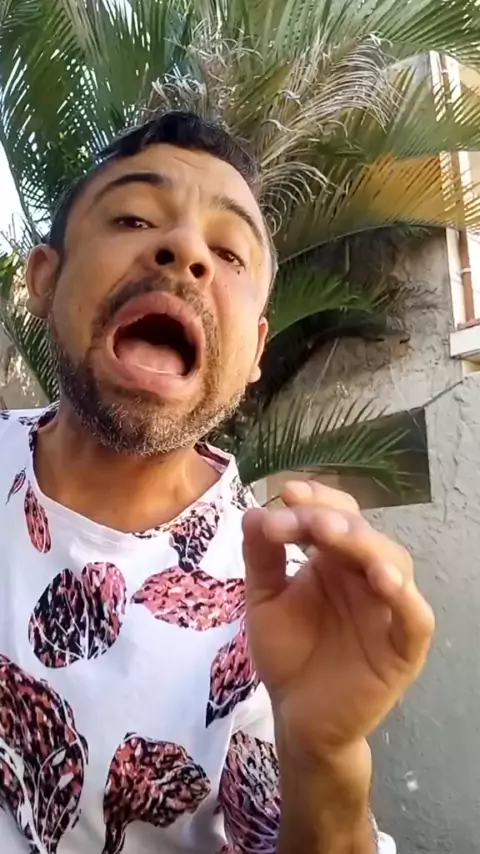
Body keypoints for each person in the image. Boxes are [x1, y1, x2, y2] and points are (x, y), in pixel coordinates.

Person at [0, 111, 433, 854]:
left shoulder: (280, 612)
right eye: (134, 218)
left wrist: (324, 758)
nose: (187, 251)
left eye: (230, 252)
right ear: (45, 278)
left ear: (255, 349)